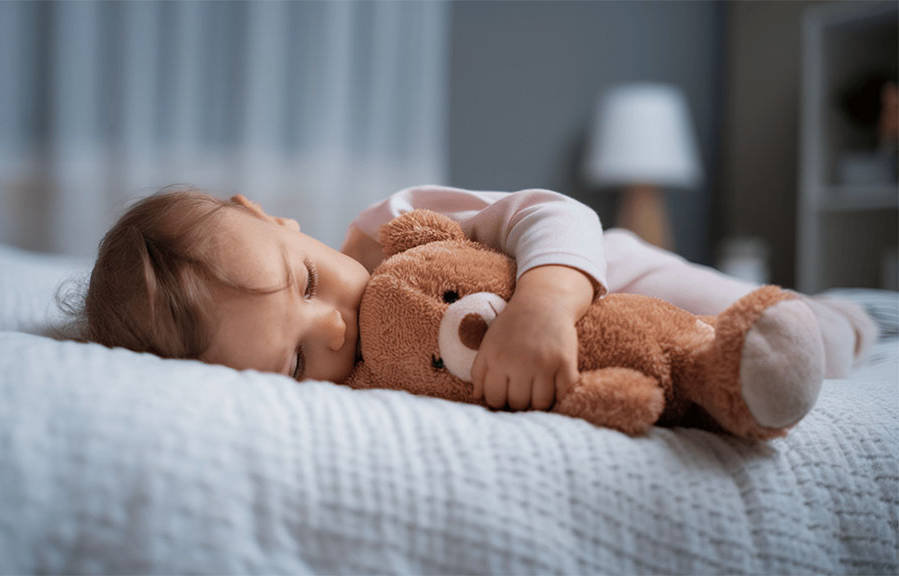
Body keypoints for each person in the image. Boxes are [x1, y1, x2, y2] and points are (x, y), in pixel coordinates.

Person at [74, 184, 877, 412]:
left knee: (807, 338)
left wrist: (545, 306)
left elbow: (556, 214)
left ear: (270, 217)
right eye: (291, 362)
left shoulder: (394, 226)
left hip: (620, 280)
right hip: (620, 357)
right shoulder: (363, 386)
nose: (334, 328)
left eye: (309, 283)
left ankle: (864, 314)